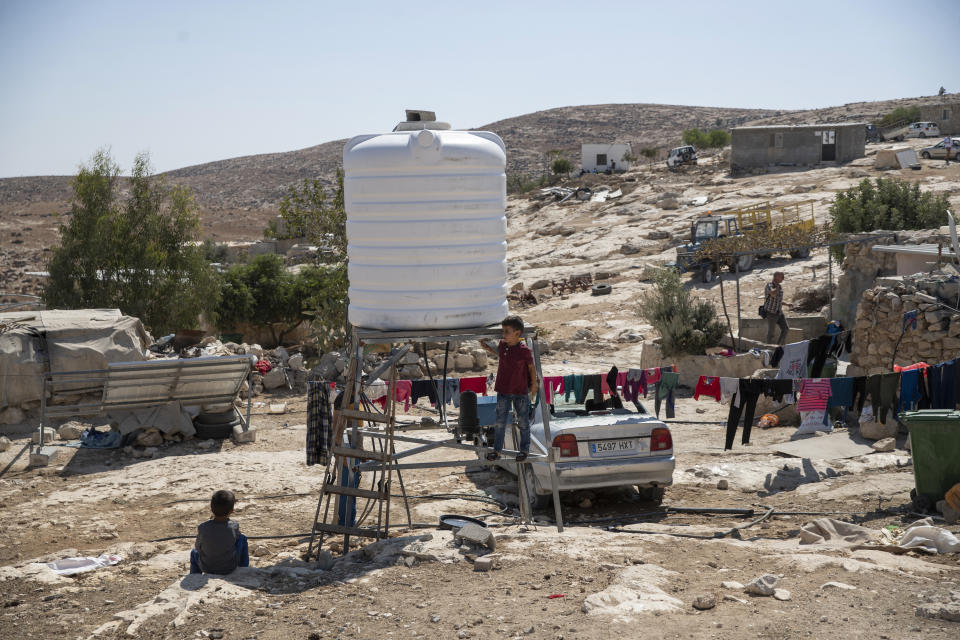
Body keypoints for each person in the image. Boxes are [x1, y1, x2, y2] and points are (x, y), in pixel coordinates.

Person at [481, 315, 538, 462]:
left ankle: (524, 450)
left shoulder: (524, 350)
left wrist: (534, 385)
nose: (503, 334)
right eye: (503, 331)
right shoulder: (502, 345)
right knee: (500, 422)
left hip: (520, 392)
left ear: (517, 333)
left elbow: (531, 368)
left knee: (523, 422)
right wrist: (488, 348)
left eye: (507, 331)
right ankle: (497, 450)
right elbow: (502, 355)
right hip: (503, 391)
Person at [189, 489, 249, 574]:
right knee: (242, 538)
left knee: (193, 552)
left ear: (211, 509)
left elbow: (198, 547)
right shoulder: (234, 526)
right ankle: (244, 568)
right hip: (230, 567)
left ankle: (194, 577)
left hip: (207, 568)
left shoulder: (203, 527)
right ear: (231, 511)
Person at [763, 272, 789, 345]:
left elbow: (778, 300)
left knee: (785, 329)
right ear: (776, 277)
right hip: (771, 313)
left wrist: (787, 304)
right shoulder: (769, 285)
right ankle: (768, 348)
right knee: (771, 333)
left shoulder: (779, 286)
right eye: (781, 277)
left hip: (779, 312)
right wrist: (777, 287)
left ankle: (778, 346)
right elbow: (773, 294)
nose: (783, 278)